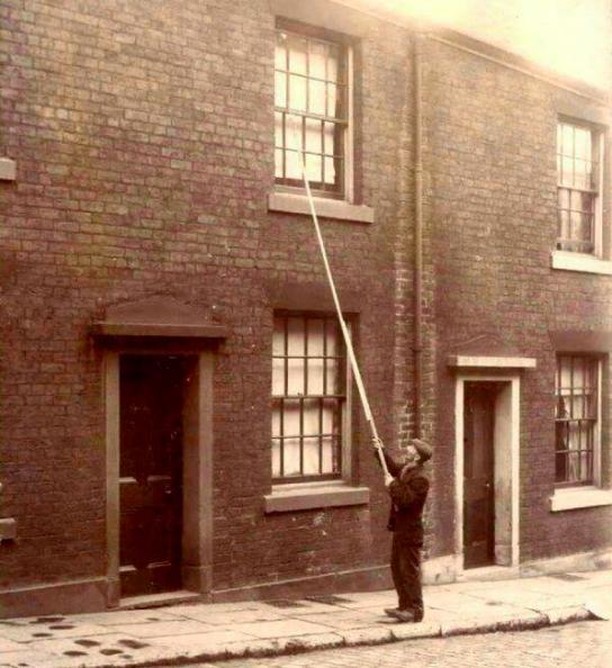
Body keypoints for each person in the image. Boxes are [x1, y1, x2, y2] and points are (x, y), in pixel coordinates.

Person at [373, 436, 432, 623]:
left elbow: (406, 500)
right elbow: (391, 467)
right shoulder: (408, 470)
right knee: (397, 569)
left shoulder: (421, 478)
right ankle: (404, 606)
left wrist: (392, 485)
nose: (407, 449)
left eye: (411, 448)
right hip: (400, 529)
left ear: (417, 455)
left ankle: (415, 610)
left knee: (409, 571)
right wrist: (380, 449)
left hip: (411, 532)